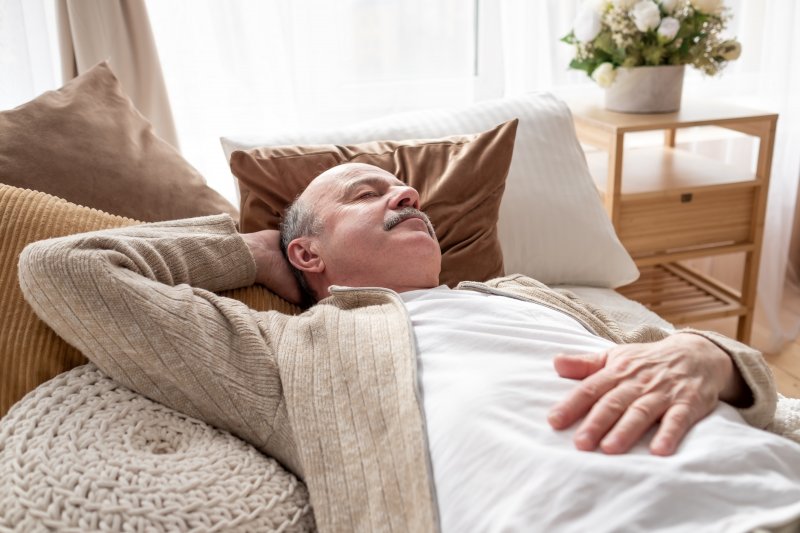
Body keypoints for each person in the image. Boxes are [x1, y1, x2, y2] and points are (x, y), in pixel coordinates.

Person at [19, 163, 800, 532]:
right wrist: (257, 248)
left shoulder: (528, 293)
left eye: (403, 188)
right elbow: (63, 270)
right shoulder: (293, 352)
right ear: (309, 256)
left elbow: (678, 354)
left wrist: (713, 355)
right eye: (364, 193)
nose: (406, 194)